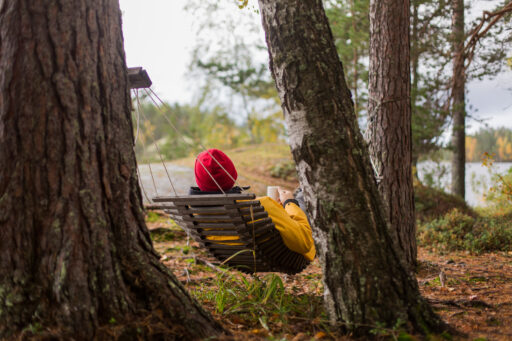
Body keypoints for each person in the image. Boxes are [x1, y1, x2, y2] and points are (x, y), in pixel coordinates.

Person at [190, 149, 315, 261]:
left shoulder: (194, 212)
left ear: (199, 180)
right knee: (301, 197)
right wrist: (289, 202)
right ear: (232, 175)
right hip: (280, 255)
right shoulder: (260, 206)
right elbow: (304, 243)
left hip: (235, 256)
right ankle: (300, 192)